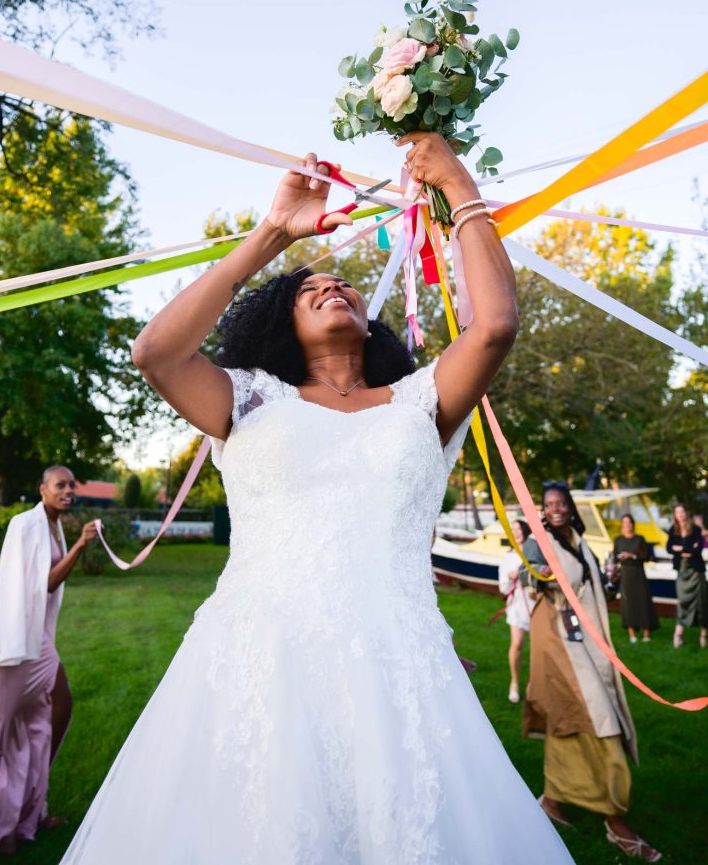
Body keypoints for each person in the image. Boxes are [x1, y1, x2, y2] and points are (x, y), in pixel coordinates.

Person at [59, 134, 574, 864]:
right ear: (283, 325)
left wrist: (455, 184)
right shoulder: (250, 399)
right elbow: (155, 353)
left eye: (344, 287)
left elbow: (494, 326)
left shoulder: (421, 401)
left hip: (399, 663)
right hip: (255, 659)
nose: (332, 288)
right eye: (307, 291)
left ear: (372, 321)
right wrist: (271, 235)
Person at [0, 466, 98, 865]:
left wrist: (75, 543)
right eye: (60, 485)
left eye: (71, 486)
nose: (68, 491)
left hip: (40, 641)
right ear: (42, 489)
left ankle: (32, 812)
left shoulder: (54, 524)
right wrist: (80, 546)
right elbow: (41, 584)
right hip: (16, 644)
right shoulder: (24, 524)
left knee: (54, 714)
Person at [522, 483, 660, 862]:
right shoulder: (540, 540)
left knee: (574, 723)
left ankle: (552, 799)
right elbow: (527, 577)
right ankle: (616, 822)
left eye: (561, 503)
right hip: (559, 645)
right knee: (602, 723)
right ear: (543, 510)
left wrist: (611, 580)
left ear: (569, 507)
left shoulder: (580, 542)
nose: (556, 509)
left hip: (586, 641)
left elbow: (597, 590)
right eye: (549, 505)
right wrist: (539, 575)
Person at [497, 518, 535, 703]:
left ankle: (533, 685)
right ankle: (514, 682)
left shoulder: (533, 554)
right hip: (517, 605)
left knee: (537, 648)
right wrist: (511, 578)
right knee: (518, 644)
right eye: (513, 530)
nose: (516, 532)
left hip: (536, 604)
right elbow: (503, 589)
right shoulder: (508, 558)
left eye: (519, 528)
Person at [666, 503, 708, 649]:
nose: (681, 515)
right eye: (678, 512)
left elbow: (698, 550)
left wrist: (680, 548)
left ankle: (703, 635)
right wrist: (687, 550)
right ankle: (678, 634)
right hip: (682, 571)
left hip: (696, 571)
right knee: (682, 602)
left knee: (702, 603)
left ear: (686, 513)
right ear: (675, 515)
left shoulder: (696, 529)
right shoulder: (673, 530)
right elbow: (668, 548)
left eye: (682, 511)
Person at [613, 514, 659, 643]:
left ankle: (646, 634)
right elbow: (614, 556)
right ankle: (632, 634)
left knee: (643, 602)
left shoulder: (640, 539)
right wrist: (619, 558)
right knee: (628, 604)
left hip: (638, 573)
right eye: (624, 522)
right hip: (625, 574)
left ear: (633, 524)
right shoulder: (618, 540)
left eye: (629, 522)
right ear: (622, 524)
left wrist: (632, 556)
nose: (627, 525)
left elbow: (646, 556)